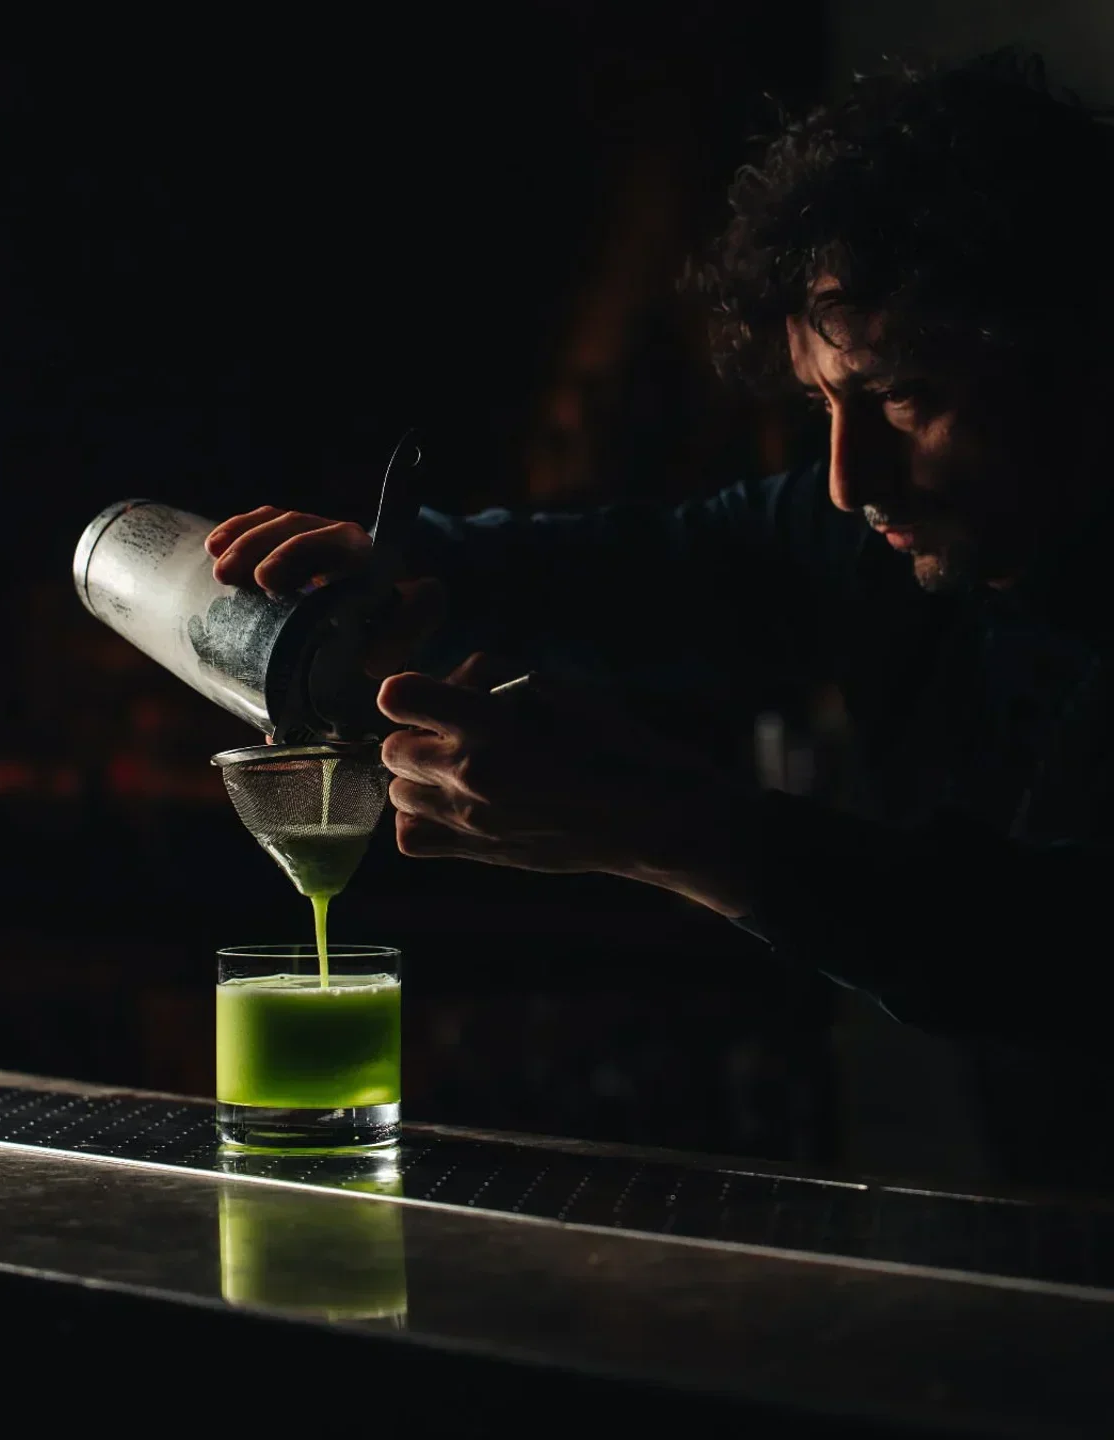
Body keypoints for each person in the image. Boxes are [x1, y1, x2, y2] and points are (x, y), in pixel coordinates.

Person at [205, 52, 1114, 1186]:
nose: (844, 476)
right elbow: (652, 563)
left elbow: (1058, 947)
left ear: (1080, 359)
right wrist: (399, 568)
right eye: (824, 403)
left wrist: (658, 824)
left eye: (901, 398)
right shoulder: (871, 532)